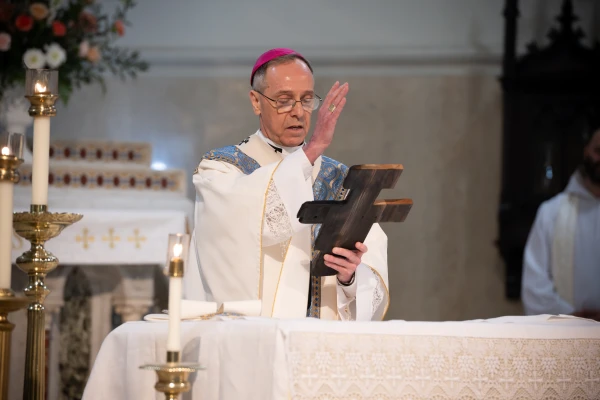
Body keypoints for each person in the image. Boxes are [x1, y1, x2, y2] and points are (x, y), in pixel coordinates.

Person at [183, 48, 389, 320]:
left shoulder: (339, 178)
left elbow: (371, 274)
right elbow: (258, 222)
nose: (298, 112)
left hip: (320, 345)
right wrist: (313, 149)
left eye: (306, 100)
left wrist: (349, 277)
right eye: (284, 100)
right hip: (255, 343)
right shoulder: (221, 169)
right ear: (256, 102)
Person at [522, 127, 600, 320]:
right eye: (599, 151)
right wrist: (573, 316)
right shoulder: (551, 213)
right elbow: (534, 284)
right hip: (566, 335)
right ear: (586, 152)